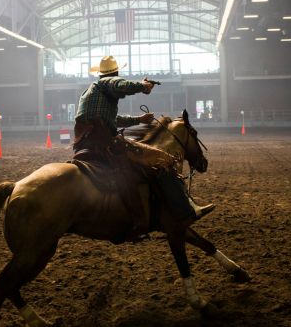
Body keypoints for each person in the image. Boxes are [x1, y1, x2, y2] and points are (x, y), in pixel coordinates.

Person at [73, 55, 213, 241]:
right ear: (115, 72)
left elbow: (113, 120)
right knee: (162, 159)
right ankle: (166, 214)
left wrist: (138, 120)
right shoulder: (108, 83)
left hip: (85, 142)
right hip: (105, 141)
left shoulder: (90, 92)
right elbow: (120, 85)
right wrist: (142, 86)